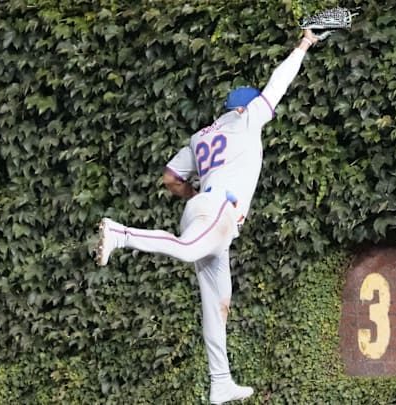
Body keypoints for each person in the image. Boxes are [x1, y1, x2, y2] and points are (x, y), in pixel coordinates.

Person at [95, 28, 321, 404]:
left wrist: (194, 194)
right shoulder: (247, 120)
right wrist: (304, 44)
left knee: (218, 302)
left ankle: (221, 382)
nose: (266, 112)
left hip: (205, 211)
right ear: (241, 108)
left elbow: (170, 178)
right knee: (186, 250)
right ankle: (121, 234)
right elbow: (279, 82)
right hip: (218, 210)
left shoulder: (201, 136)